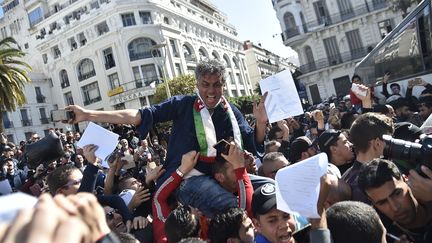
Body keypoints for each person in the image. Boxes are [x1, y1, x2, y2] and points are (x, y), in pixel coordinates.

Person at [67, 59, 268, 217]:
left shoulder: (230, 111)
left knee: (270, 190)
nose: (211, 91)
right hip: (187, 180)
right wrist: (88, 114)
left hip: (223, 177)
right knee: (235, 209)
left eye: (217, 85)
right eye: (205, 84)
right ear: (197, 84)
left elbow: (252, 141)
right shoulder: (182, 104)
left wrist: (260, 122)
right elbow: (138, 116)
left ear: (224, 85)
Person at [358, 158, 432, 243]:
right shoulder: (381, 235)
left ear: (405, 180)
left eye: (397, 193)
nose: (395, 207)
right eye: (383, 202)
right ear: (373, 203)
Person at [342, 112, 394, 204]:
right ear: (377, 143)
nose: (391, 144)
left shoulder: (347, 176)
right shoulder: (371, 183)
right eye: (389, 140)